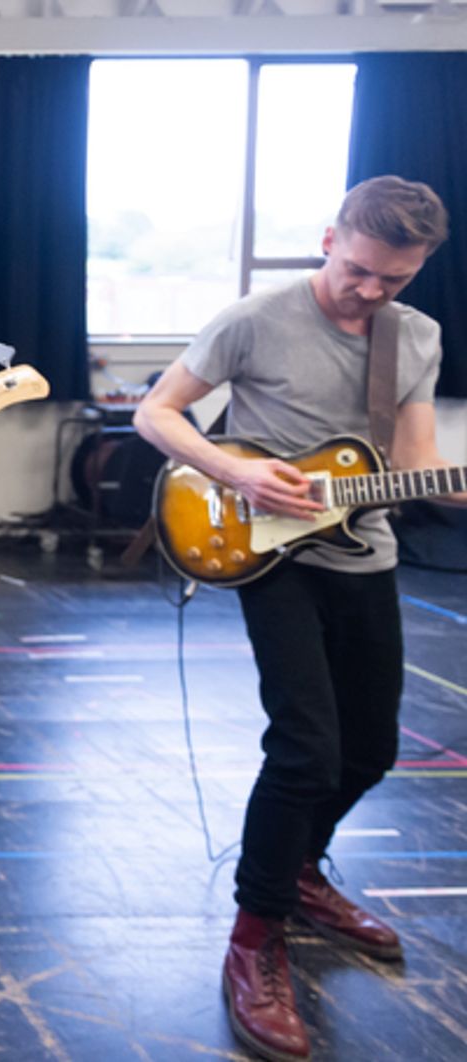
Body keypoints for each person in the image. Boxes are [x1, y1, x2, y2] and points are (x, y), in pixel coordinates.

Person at [134, 175, 464, 1061]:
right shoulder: (255, 318)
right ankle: (255, 938)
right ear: (329, 238)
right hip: (269, 551)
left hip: (369, 558)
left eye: (393, 281)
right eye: (358, 271)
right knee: (306, 747)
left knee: (372, 751)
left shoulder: (415, 338)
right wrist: (236, 471)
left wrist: (446, 482)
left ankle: (300, 871)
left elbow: (418, 457)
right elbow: (156, 412)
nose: (370, 292)